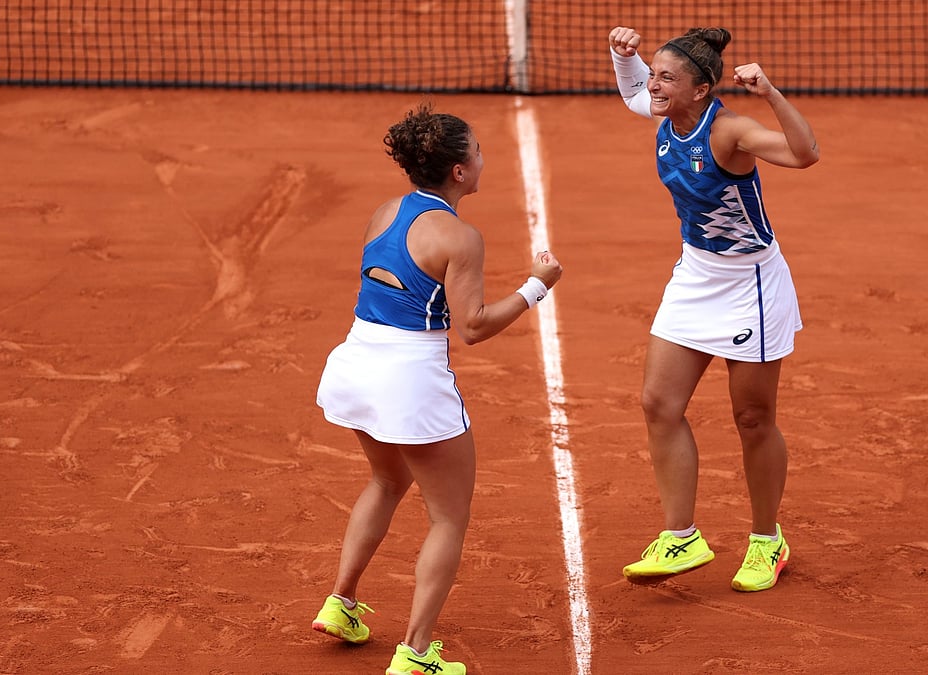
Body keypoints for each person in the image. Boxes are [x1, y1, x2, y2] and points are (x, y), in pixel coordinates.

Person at [310, 102, 563, 674]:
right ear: (458, 171)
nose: (482, 158)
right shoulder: (460, 236)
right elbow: (472, 327)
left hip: (355, 363)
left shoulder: (384, 211)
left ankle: (341, 601)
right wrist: (537, 286)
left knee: (386, 478)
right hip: (409, 380)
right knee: (448, 517)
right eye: (476, 151)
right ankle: (417, 653)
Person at [607, 26, 820, 592]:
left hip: (750, 281)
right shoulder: (664, 114)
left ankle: (766, 540)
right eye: (653, 73)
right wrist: (620, 56)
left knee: (753, 418)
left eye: (666, 77)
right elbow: (634, 94)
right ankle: (681, 537)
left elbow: (805, 154)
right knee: (659, 402)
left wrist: (770, 94)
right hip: (697, 273)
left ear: (700, 90)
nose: (653, 85)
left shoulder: (730, 131)